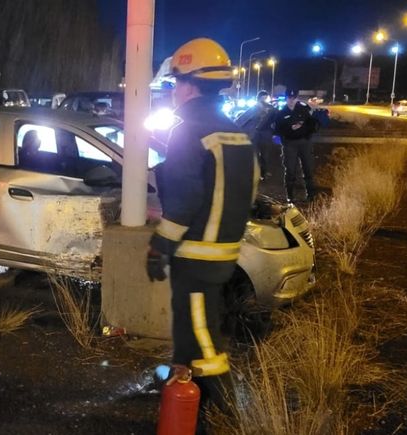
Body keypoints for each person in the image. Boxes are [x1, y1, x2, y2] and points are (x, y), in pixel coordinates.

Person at [145, 38, 259, 415]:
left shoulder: (188, 130)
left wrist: (159, 246)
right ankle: (184, 385)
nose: (173, 91)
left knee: (201, 333)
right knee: (193, 325)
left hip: (194, 255)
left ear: (190, 83)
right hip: (223, 251)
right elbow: (249, 188)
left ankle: (226, 409)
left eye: (175, 83)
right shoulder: (235, 132)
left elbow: (182, 203)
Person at [274, 89, 319, 203]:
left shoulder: (303, 109)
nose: (291, 100)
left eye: (293, 98)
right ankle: (290, 196)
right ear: (286, 98)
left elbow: (312, 123)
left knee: (308, 169)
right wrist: (289, 129)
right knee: (290, 171)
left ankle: (311, 195)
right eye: (289, 98)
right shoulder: (281, 113)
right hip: (290, 144)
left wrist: (307, 133)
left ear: (296, 98)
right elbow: (277, 129)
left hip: (304, 143)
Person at [235, 90, 276, 180]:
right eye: (263, 98)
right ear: (258, 99)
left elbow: (276, 121)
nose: (264, 100)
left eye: (266, 98)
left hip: (266, 135)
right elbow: (241, 120)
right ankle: (256, 173)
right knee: (255, 154)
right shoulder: (254, 109)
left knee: (265, 155)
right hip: (254, 135)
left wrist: (274, 131)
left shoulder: (271, 109)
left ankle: (264, 172)